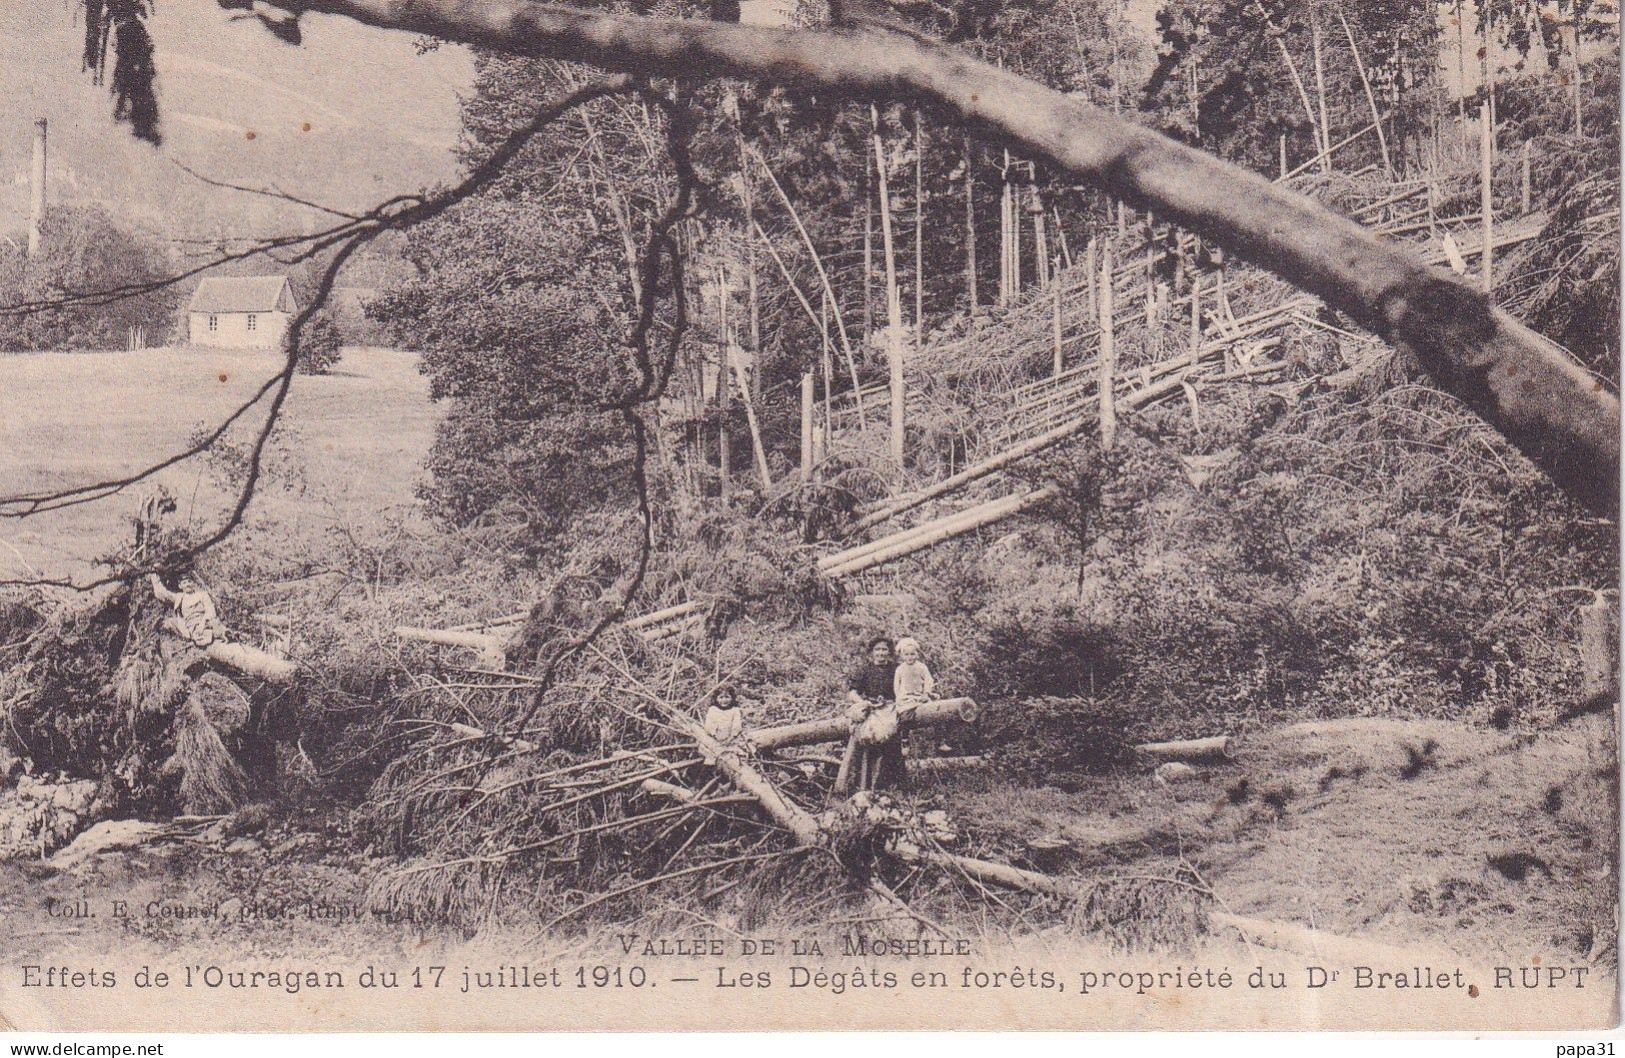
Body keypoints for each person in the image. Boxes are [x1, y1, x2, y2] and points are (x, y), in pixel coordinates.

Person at [834, 637, 906, 795]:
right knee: (867, 742)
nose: (881, 653)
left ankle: (894, 788)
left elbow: (907, 687)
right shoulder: (865, 670)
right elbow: (852, 692)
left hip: (890, 709)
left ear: (889, 652)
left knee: (891, 745)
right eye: (877, 650)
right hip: (871, 710)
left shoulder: (897, 669)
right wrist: (863, 702)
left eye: (884, 649)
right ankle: (863, 787)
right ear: (872, 653)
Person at [149, 572, 227, 648]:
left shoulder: (202, 594)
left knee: (215, 624)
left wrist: (202, 623)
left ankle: (225, 634)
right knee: (169, 623)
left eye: (189, 581)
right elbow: (162, 594)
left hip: (204, 621)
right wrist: (154, 575)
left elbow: (210, 610)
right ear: (180, 586)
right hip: (189, 625)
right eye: (184, 583)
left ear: (193, 583)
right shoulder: (179, 597)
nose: (187, 584)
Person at [702, 684, 746, 764]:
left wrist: (731, 737)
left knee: (736, 751)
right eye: (721, 697)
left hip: (730, 739)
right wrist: (714, 734)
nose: (724, 700)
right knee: (711, 751)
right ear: (716, 698)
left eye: (727, 697)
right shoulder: (713, 709)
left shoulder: (735, 710)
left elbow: (737, 726)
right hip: (715, 738)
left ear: (732, 698)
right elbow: (709, 725)